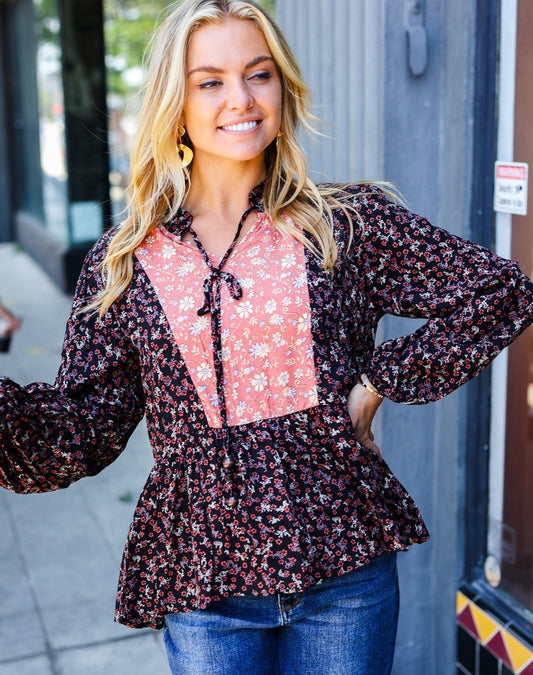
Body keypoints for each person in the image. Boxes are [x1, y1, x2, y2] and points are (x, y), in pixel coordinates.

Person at [1, 1, 532, 673]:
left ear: (282, 86)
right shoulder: (125, 261)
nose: (241, 99)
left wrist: (378, 381)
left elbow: (497, 291)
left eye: (259, 73)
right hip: (206, 590)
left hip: (344, 577)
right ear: (176, 102)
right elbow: (77, 432)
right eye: (210, 80)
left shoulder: (344, 224)